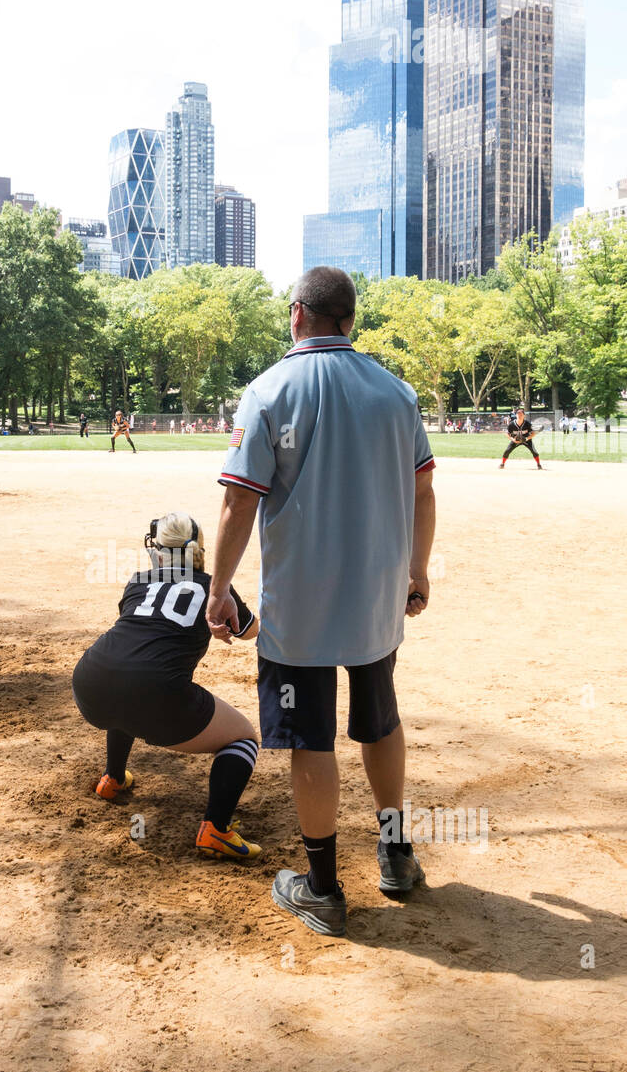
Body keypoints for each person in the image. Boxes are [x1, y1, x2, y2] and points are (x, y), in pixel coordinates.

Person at [206, 266, 436, 938]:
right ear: (349, 318)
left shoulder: (268, 390)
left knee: (310, 738)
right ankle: (394, 856)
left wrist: (218, 590)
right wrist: (417, 571)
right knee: (379, 722)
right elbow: (422, 491)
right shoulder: (395, 393)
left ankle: (323, 887)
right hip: (376, 597)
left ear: (295, 314)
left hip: (299, 607)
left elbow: (237, 499)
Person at [72, 512, 262, 861]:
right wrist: (234, 624)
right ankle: (216, 830)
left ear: (159, 551)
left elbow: (142, 631)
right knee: (243, 738)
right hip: (155, 694)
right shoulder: (212, 585)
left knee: (126, 684)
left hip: (90, 680)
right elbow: (248, 630)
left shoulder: (137, 581)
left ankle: (112, 779)